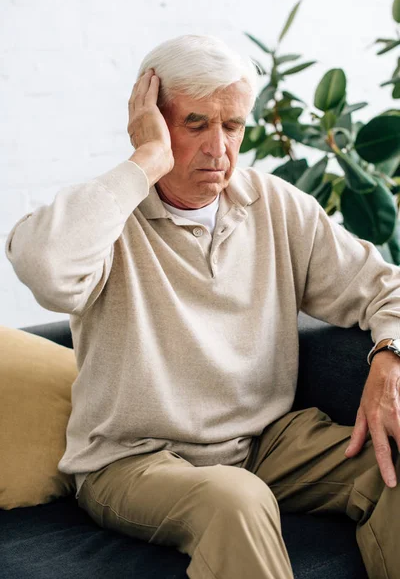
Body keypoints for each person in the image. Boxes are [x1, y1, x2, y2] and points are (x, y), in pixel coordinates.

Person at [5, 34, 400, 579]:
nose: (219, 150)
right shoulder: (107, 217)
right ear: (152, 121)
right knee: (236, 499)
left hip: (264, 442)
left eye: (232, 125)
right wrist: (144, 162)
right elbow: (48, 270)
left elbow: (386, 285)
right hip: (131, 462)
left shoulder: (275, 205)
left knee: (393, 466)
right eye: (195, 124)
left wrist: (389, 354)